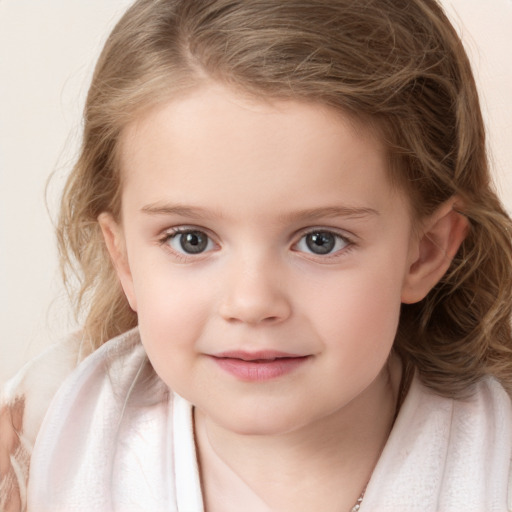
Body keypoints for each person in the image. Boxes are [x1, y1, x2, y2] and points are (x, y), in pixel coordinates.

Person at [2, 0, 512, 510]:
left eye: (320, 241)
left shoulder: (495, 464)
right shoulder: (42, 444)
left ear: (423, 253)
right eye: (191, 240)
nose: (251, 302)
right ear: (126, 260)